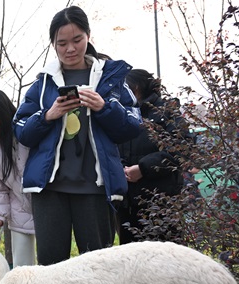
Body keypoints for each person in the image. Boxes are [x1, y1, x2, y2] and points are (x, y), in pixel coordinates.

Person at [13, 6, 143, 266]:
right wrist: (47, 115)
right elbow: (21, 131)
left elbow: (133, 126)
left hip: (95, 188)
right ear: (53, 44)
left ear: (88, 36)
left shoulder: (111, 79)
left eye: (77, 40)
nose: (70, 49)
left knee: (98, 268)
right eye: (61, 43)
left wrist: (104, 108)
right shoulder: (42, 84)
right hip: (49, 189)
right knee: (50, 268)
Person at [117, 69, 188, 244]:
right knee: (131, 255)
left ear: (136, 87)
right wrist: (120, 167)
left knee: (165, 253)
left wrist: (143, 169)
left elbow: (181, 149)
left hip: (162, 201)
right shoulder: (123, 113)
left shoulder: (167, 113)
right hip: (128, 202)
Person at [0, 90, 36, 268]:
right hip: (19, 209)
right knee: (22, 270)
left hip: (47, 204)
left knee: (52, 265)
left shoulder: (27, 132)